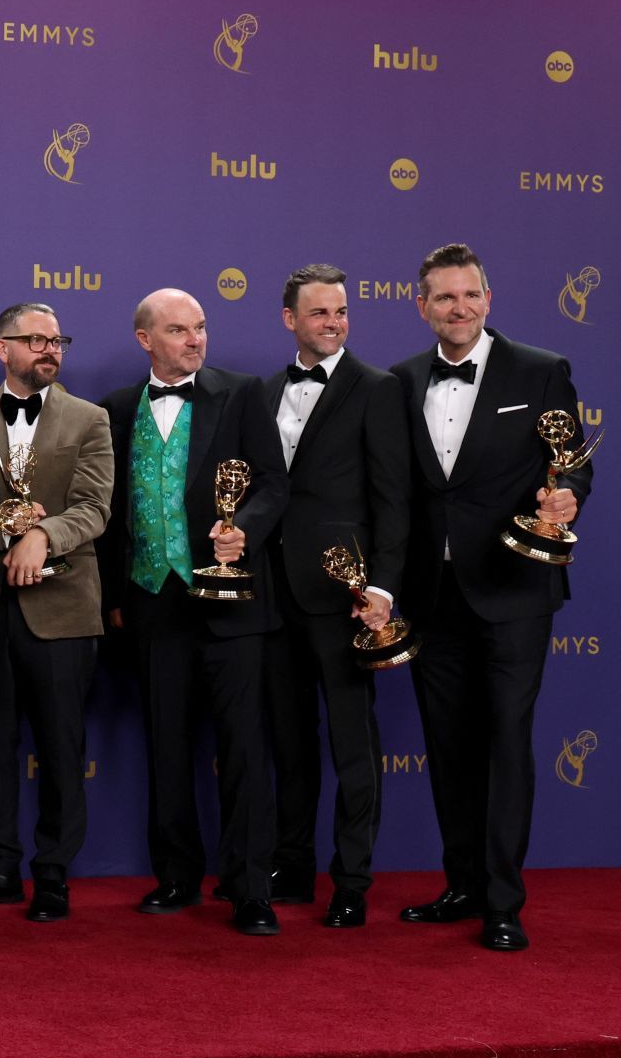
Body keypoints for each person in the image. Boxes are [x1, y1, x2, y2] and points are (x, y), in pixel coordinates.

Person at [391, 243, 592, 952]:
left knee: (506, 740)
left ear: (488, 297)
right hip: (432, 595)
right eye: (444, 297)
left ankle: (504, 901)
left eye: (470, 294)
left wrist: (564, 499)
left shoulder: (540, 370)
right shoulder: (402, 379)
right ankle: (463, 885)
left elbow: (571, 468)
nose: (459, 307)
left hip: (513, 589)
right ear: (423, 306)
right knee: (449, 745)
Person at [99, 289, 288, 936]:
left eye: (201, 327)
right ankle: (176, 874)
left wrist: (249, 532)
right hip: (153, 599)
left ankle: (250, 887)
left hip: (233, 600)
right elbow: (111, 514)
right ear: (145, 338)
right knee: (166, 744)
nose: (195, 339)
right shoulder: (119, 408)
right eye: (179, 330)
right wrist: (113, 597)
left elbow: (273, 481)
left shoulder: (242, 393)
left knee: (241, 747)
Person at [258, 265, 410, 929]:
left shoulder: (377, 389)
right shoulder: (262, 391)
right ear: (289, 318)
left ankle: (351, 879)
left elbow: (393, 499)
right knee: (287, 742)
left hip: (344, 598)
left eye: (341, 312)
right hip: (271, 595)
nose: (333, 323)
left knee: (353, 744)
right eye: (319, 313)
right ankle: (291, 866)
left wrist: (379, 585)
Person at [0, 302, 114, 922]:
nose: (50, 350)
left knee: (61, 745)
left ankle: (53, 872)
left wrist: (44, 535)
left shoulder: (91, 418)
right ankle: (0, 865)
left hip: (64, 609)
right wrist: (3, 537)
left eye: (58, 341)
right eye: (36, 340)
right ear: (3, 348)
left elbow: (95, 507)